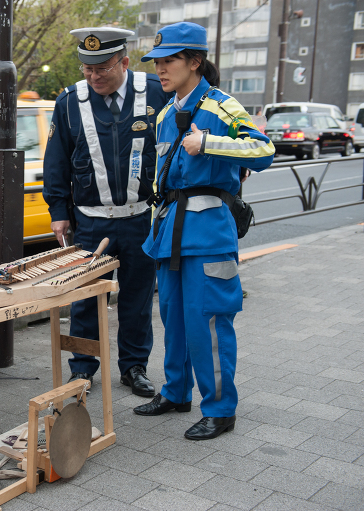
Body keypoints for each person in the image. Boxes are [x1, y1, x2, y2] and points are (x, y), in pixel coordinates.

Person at [133, 22, 274, 440]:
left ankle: (220, 409)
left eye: (169, 60)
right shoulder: (164, 113)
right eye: (157, 62)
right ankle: (176, 393)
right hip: (169, 232)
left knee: (208, 323)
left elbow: (264, 149)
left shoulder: (222, 106)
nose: (160, 69)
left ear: (195, 61)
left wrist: (209, 143)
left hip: (209, 234)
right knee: (173, 319)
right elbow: (160, 179)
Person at [43, 27, 171, 397]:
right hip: (90, 221)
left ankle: (134, 367)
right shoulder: (69, 101)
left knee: (137, 299)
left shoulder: (156, 92)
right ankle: (82, 369)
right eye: (87, 69)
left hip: (139, 217)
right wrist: (58, 210)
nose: (94, 76)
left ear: (124, 62)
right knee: (85, 300)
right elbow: (56, 161)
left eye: (103, 68)